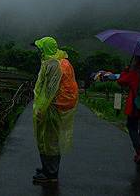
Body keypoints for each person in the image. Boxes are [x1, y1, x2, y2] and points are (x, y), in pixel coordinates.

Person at [32, 36, 79, 184]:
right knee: (47, 138)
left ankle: (51, 174)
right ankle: (47, 168)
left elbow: (49, 91)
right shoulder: (62, 60)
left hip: (53, 106)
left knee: (50, 139)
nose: (39, 51)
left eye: (41, 48)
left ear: (45, 49)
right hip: (60, 105)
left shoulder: (54, 64)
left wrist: (41, 108)